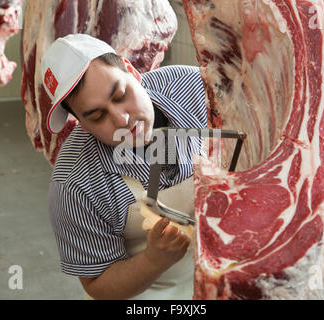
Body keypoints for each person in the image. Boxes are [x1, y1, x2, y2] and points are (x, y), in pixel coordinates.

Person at [42, 34, 207, 300]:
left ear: (131, 70)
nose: (122, 119)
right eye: (98, 116)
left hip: (226, 277)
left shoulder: (193, 87)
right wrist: (154, 260)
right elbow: (98, 285)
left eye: (120, 95)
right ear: (82, 125)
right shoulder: (73, 185)